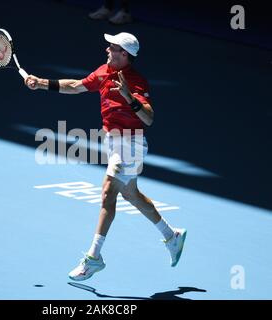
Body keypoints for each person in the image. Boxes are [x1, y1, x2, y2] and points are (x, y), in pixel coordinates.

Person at [24, 32, 187, 281]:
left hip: (130, 144)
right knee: (131, 194)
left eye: (112, 47)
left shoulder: (135, 81)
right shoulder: (104, 71)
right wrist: (42, 83)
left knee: (108, 191)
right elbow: (77, 86)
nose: (106, 50)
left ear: (125, 54)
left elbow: (149, 118)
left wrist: (129, 97)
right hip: (113, 142)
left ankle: (94, 257)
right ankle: (171, 235)